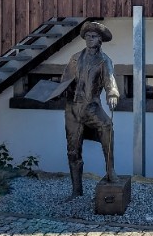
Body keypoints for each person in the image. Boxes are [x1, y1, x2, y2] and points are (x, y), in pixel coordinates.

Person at [61, 21, 120, 197]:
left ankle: (110, 169)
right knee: (73, 150)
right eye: (87, 37)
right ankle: (76, 190)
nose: (89, 39)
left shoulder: (104, 60)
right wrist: (55, 92)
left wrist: (112, 94)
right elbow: (64, 81)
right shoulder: (74, 58)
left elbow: (111, 81)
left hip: (91, 107)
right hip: (72, 109)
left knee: (107, 127)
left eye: (93, 37)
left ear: (100, 40)